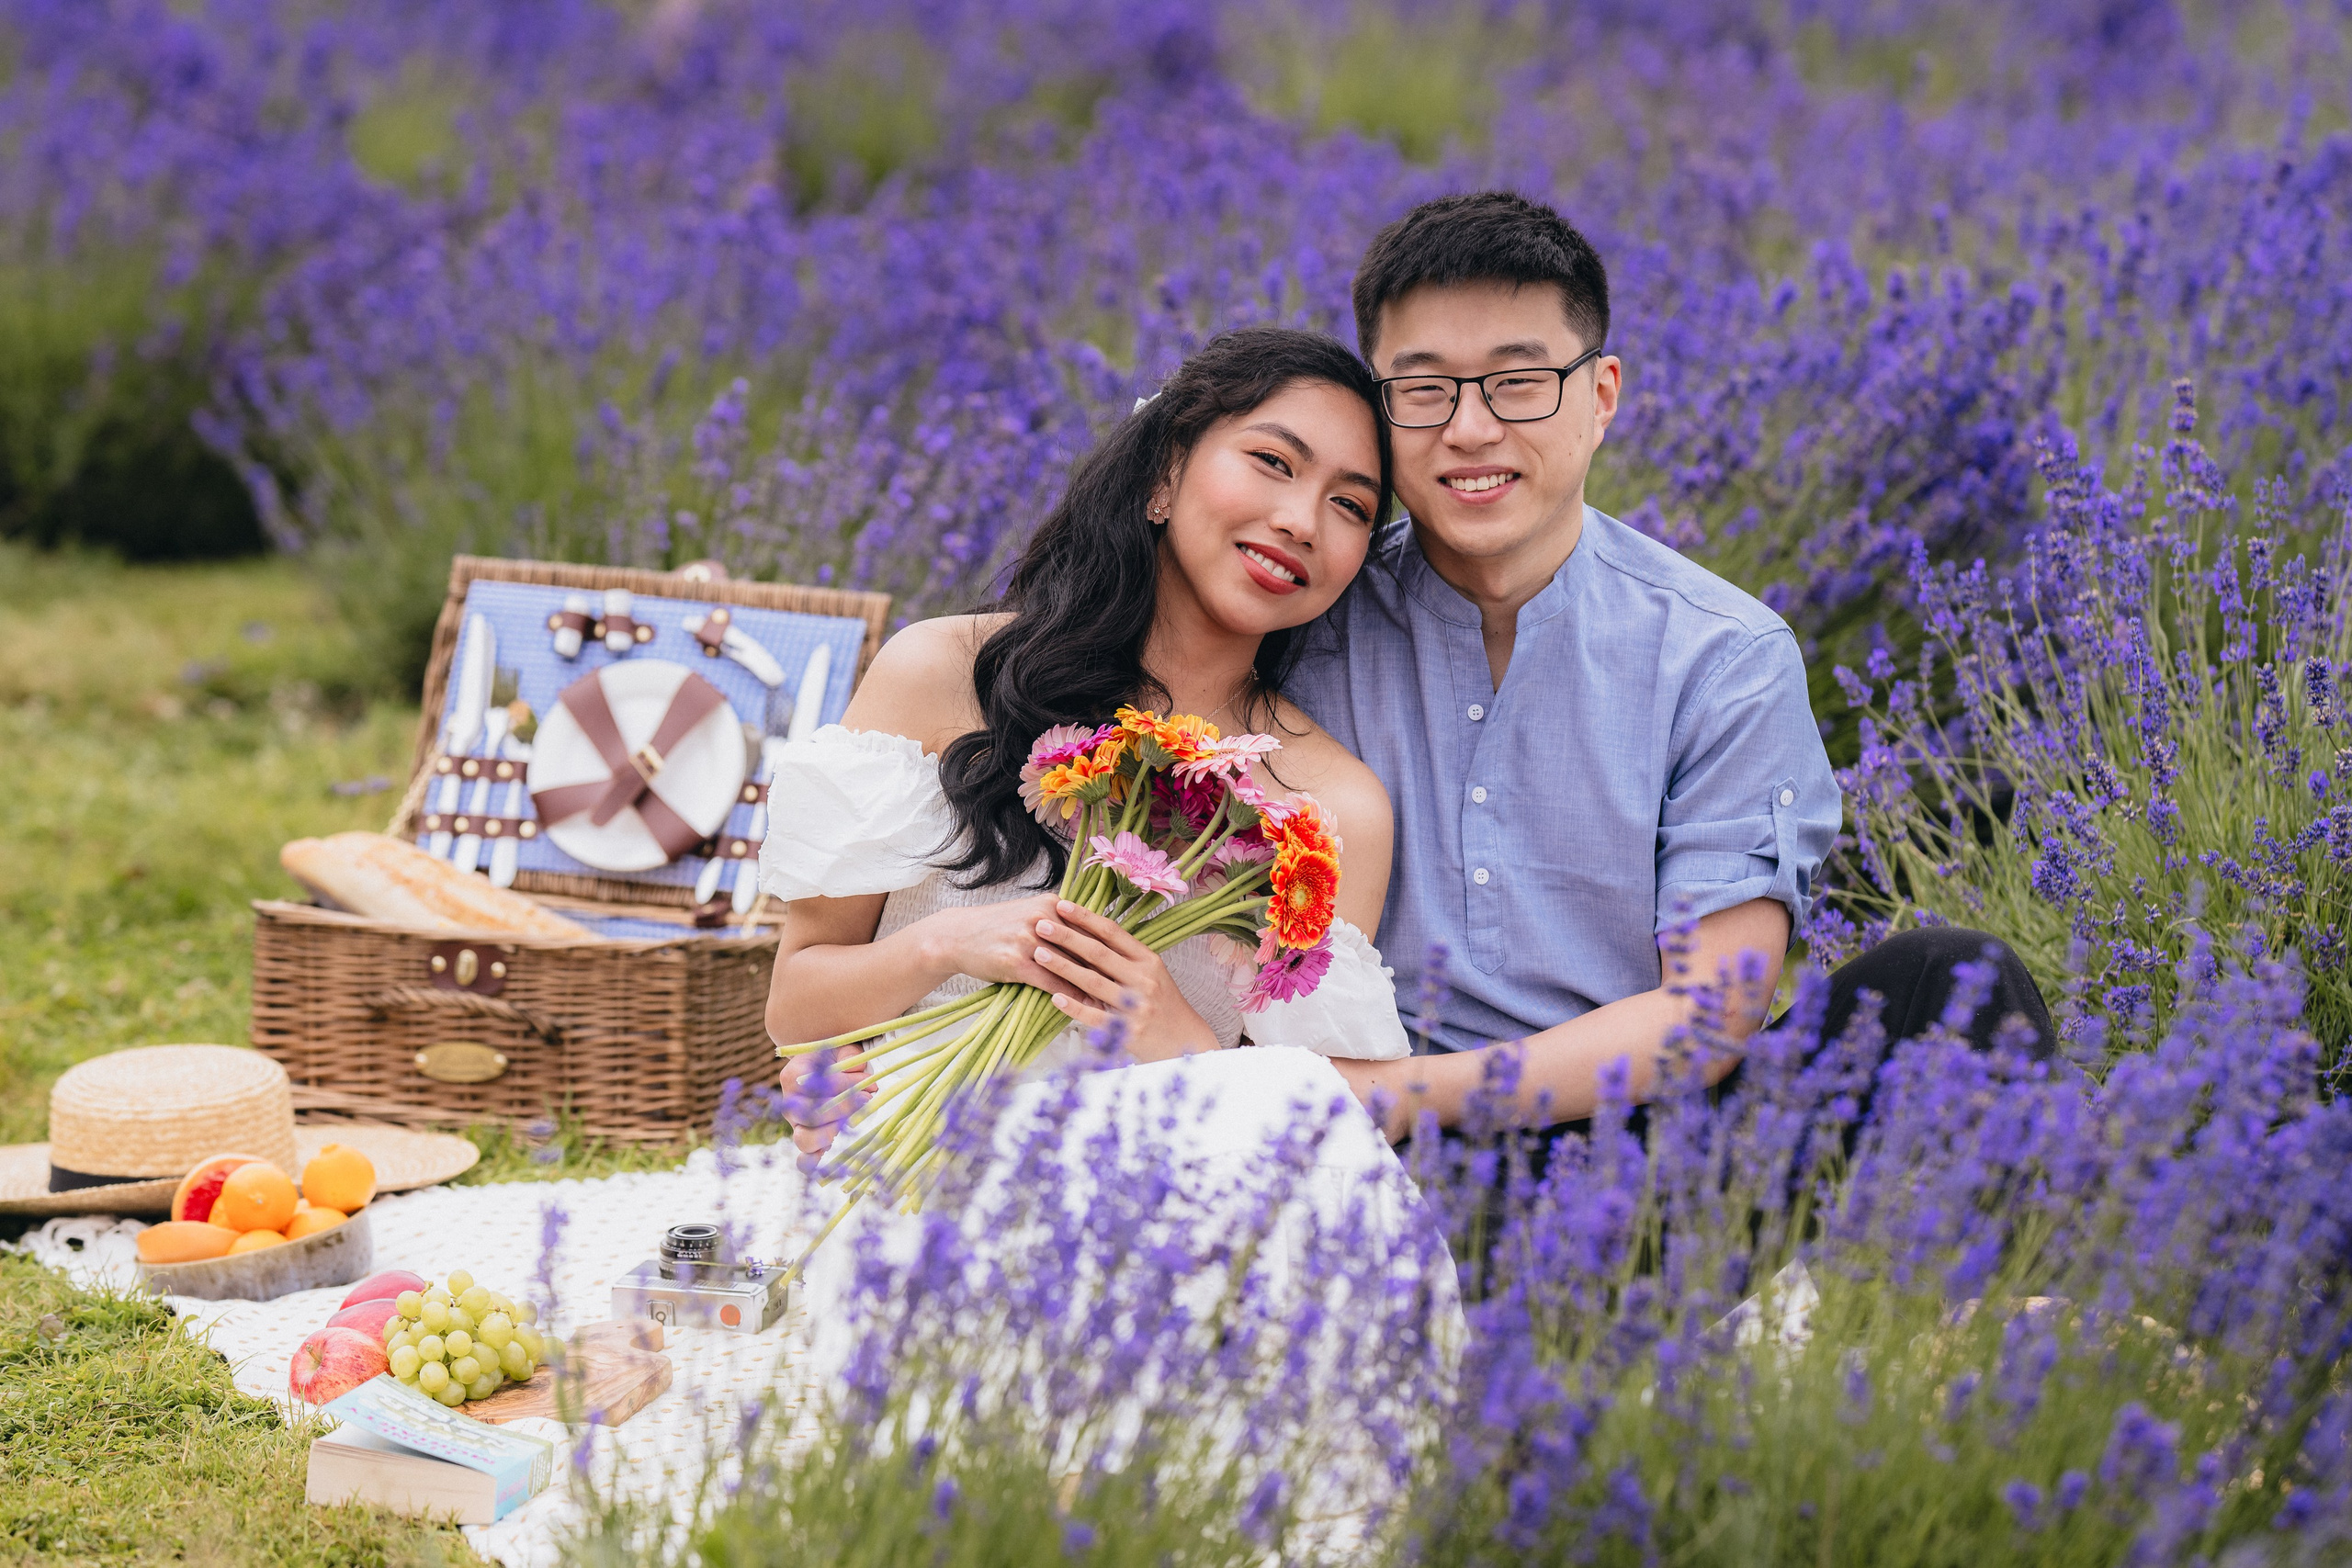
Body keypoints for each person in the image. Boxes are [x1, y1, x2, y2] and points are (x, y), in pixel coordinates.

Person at [1287, 190, 2053, 1145]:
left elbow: (1708, 1017)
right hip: (1363, 1172)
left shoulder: (1719, 654)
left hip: (1640, 1159)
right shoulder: (1302, 624)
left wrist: (1388, 1095)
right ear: (1380, 407)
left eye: (1518, 382)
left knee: (1952, 981)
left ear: (1601, 394)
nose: (1470, 430)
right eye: (1425, 387)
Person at [764, 324, 1416, 1162]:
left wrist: (1175, 1034)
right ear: (1163, 475)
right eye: (1274, 462)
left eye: (1350, 506)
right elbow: (797, 1004)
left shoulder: (1333, 810)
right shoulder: (942, 674)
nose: (1300, 520)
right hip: (914, 1198)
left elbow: (1308, 1144)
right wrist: (946, 947)